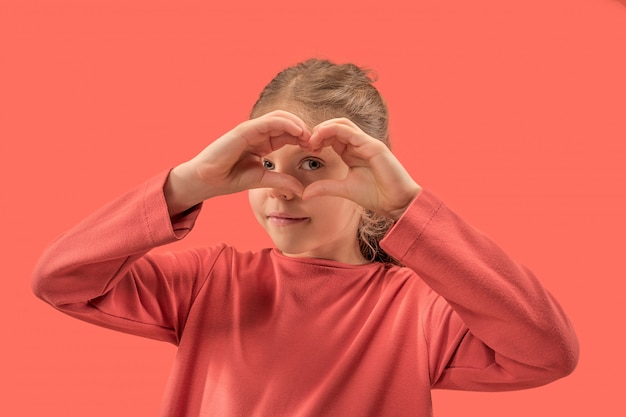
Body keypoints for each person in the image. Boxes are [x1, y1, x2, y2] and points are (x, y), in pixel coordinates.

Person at [32, 58, 579, 416]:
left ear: (372, 173)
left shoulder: (418, 309)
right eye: (265, 162)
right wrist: (186, 182)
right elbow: (61, 280)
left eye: (313, 164)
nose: (283, 189)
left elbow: (547, 352)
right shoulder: (207, 281)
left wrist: (407, 208)